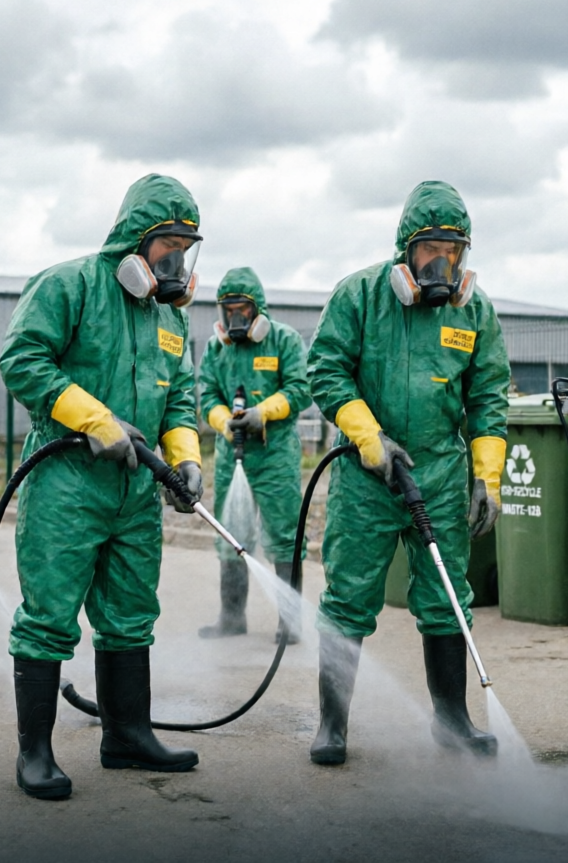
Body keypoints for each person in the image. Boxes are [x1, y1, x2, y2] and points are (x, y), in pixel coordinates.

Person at [0, 173, 207, 800]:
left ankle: (126, 735)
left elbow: (181, 398)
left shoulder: (169, 319)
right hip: (68, 483)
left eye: (185, 248)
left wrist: (185, 458)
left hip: (135, 493)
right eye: (166, 244)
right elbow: (22, 358)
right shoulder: (71, 286)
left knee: (131, 617)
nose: (175, 260)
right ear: (135, 241)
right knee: (48, 617)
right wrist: (96, 420)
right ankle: (34, 755)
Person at [305, 180, 509, 766]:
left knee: (446, 598)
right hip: (367, 473)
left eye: (454, 250)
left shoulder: (474, 310)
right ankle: (332, 726)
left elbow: (490, 394)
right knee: (347, 598)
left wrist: (486, 477)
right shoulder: (360, 296)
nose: (442, 262)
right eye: (431, 249)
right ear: (406, 250)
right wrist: (371, 439)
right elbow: (327, 371)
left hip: (441, 474)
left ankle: (453, 721)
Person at [195, 267, 312, 642]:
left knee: (284, 536)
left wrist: (264, 413)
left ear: (257, 309)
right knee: (231, 535)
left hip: (274, 454)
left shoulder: (284, 341)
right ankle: (232, 618)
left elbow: (300, 388)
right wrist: (223, 421)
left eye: (242, 309)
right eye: (228, 310)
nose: (235, 318)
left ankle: (289, 623)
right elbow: (207, 394)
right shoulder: (217, 350)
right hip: (233, 456)